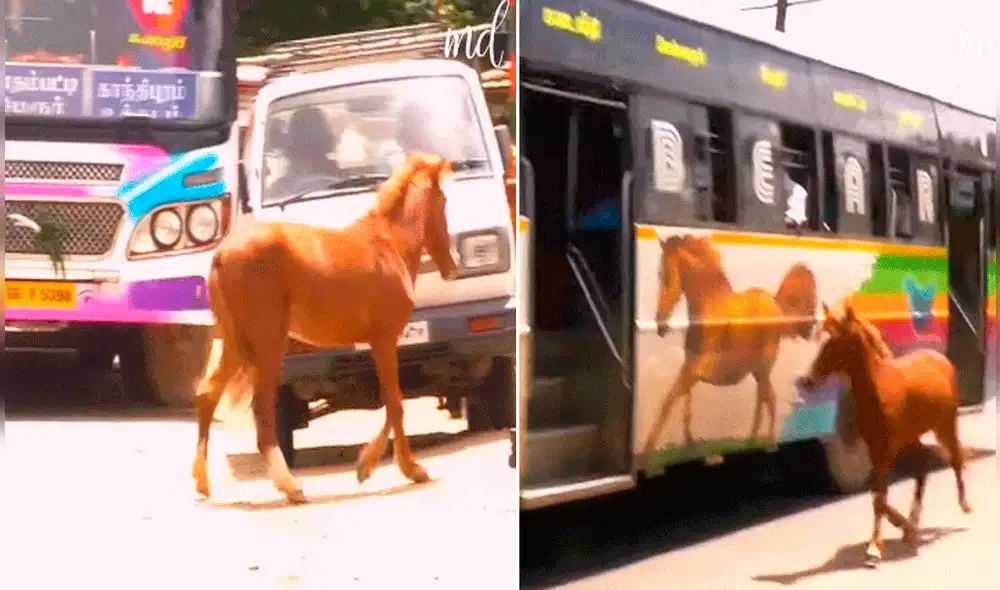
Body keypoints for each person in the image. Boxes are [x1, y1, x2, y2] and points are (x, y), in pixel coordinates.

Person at [267, 106, 341, 198]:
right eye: (305, 146)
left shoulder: (346, 180)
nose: (310, 156)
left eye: (314, 147)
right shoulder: (280, 191)